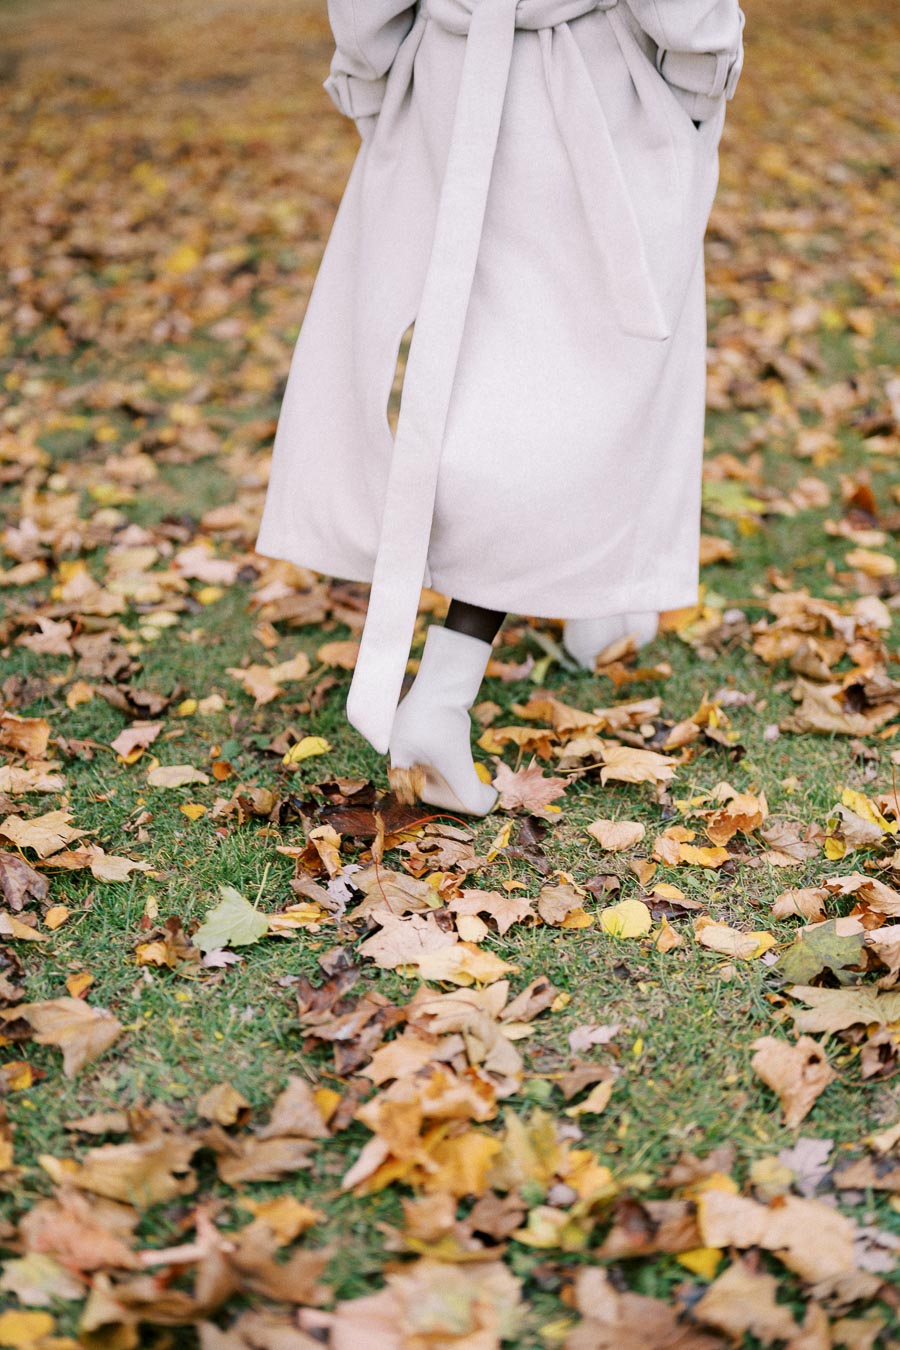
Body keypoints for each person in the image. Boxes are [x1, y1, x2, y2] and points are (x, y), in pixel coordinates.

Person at [255, 0, 745, 817]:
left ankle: (588, 605)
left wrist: (379, 87)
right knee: (587, 376)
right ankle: (447, 689)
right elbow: (689, 18)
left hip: (445, 81)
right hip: (591, 85)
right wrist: (699, 77)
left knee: (499, 377)